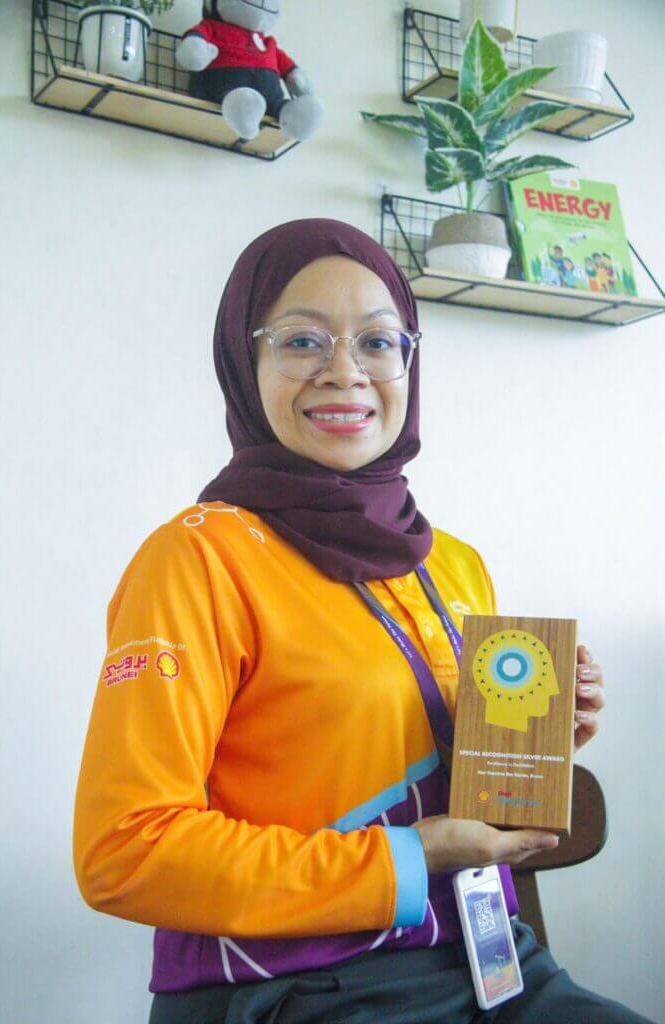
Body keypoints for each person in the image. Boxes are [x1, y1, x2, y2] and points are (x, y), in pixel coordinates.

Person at [73, 219, 654, 1024]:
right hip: (300, 986)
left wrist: (530, 740)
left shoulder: (450, 562)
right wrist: (411, 855)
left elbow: (390, 747)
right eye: (302, 341)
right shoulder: (198, 558)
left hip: (494, 958)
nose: (344, 373)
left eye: (378, 343)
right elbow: (125, 853)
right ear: (246, 365)